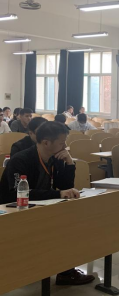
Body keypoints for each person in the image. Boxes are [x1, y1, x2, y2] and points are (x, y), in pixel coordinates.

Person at [0, 121, 94, 285]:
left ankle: (65, 271)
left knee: (72, 221)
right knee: (60, 227)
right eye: (62, 142)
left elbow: (65, 187)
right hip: (13, 211)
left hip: (41, 205)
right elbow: (19, 194)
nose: (65, 146)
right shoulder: (21, 160)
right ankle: (59, 270)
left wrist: (70, 163)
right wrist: (58, 193)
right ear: (46, 143)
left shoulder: (55, 158)